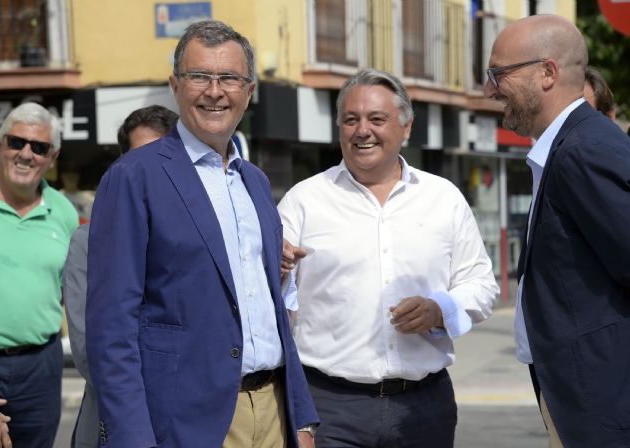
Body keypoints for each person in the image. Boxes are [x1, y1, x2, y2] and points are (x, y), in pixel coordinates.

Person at [85, 20, 318, 447]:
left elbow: (272, 312)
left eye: (229, 77)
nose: (215, 91)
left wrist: (300, 417)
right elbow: (111, 330)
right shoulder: (134, 177)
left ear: (249, 91)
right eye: (199, 77)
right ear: (175, 85)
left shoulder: (256, 183)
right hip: (184, 422)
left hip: (272, 411)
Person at [277, 68, 499, 448]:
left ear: (406, 127)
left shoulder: (443, 198)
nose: (362, 130)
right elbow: (273, 300)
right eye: (351, 119)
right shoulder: (304, 200)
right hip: (330, 408)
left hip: (423, 405)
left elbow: (481, 286)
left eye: (377, 119)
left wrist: (439, 310)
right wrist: (278, 270)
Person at [484, 14, 630, 447]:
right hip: (584, 395)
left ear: (547, 73)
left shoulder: (582, 151)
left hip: (603, 402)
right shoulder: (571, 146)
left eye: (499, 74)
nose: (489, 90)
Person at [63, 105, 178, 448]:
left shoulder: (199, 237)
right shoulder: (90, 240)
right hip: (116, 423)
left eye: (162, 155)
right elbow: (90, 354)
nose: (150, 169)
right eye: (139, 156)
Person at [0, 102, 79, 448]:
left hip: (40, 366)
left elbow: (68, 292)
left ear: (52, 157)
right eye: (17, 142)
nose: (26, 154)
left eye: (39, 147)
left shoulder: (64, 213)